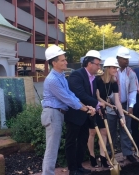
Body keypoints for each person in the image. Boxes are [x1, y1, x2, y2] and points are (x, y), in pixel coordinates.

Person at [41, 45, 95, 175]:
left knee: (53, 147)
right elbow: (67, 99)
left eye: (65, 59)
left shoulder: (61, 76)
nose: (66, 62)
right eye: (62, 60)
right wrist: (86, 109)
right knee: (52, 149)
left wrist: (86, 107)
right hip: (53, 113)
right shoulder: (53, 79)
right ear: (54, 63)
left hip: (57, 114)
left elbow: (71, 95)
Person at [64, 50, 105, 175]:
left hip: (87, 115)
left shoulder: (93, 78)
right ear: (89, 63)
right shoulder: (77, 75)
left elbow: (91, 95)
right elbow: (80, 94)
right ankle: (72, 169)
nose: (99, 67)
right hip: (75, 115)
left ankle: (79, 166)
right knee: (72, 141)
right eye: (97, 64)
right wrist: (97, 104)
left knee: (83, 140)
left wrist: (96, 107)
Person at [88, 57, 128, 167]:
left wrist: (122, 116)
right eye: (114, 67)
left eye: (116, 68)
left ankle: (103, 157)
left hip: (103, 108)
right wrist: (101, 106)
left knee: (104, 132)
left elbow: (117, 101)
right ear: (107, 68)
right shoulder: (97, 80)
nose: (116, 70)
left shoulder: (114, 83)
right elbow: (96, 96)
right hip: (92, 108)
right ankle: (92, 156)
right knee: (92, 133)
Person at [105, 47, 139, 163]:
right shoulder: (111, 72)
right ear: (118, 59)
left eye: (127, 59)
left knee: (126, 129)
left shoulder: (131, 73)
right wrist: (107, 100)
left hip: (125, 105)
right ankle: (109, 154)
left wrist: (131, 106)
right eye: (124, 58)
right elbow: (105, 88)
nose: (126, 61)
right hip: (111, 106)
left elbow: (133, 90)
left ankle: (128, 153)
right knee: (111, 130)